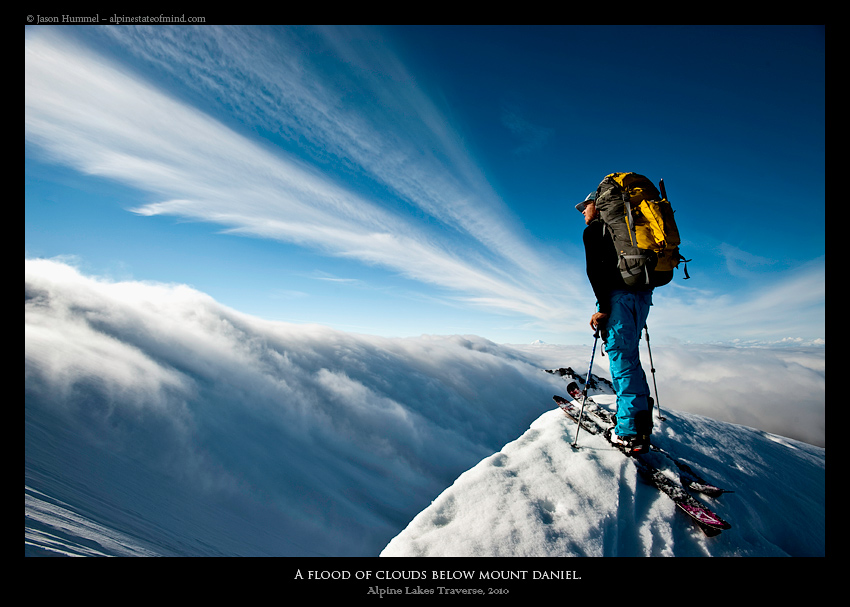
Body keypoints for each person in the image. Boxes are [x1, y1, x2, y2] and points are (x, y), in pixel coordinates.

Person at [576, 190, 653, 455]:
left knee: (622, 362)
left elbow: (595, 271)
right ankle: (640, 424)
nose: (582, 212)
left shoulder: (595, 230)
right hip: (641, 296)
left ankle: (630, 434)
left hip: (617, 300)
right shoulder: (626, 229)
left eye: (584, 207)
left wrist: (604, 308)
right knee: (631, 359)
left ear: (597, 206)